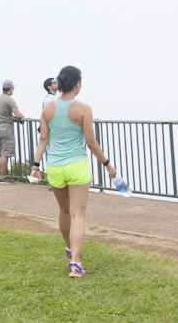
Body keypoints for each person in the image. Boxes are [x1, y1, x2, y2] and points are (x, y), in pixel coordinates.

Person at [31, 66, 117, 277]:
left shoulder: (48, 109)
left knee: (64, 212)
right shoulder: (83, 109)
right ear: (77, 84)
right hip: (77, 166)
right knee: (78, 215)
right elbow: (91, 142)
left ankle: (70, 249)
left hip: (55, 167)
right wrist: (107, 164)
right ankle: (75, 264)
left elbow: (43, 139)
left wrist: (35, 166)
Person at [0, 79, 26, 184]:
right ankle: (3, 177)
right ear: (10, 89)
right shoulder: (9, 100)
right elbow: (18, 115)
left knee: (1, 153)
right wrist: (22, 116)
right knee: (6, 154)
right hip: (6, 128)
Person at [30, 78, 59, 183]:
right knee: (53, 156)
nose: (58, 83)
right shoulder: (50, 99)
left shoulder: (50, 98)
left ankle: (53, 181)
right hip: (52, 133)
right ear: (49, 87)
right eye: (55, 82)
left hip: (50, 132)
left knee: (50, 156)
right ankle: (53, 182)